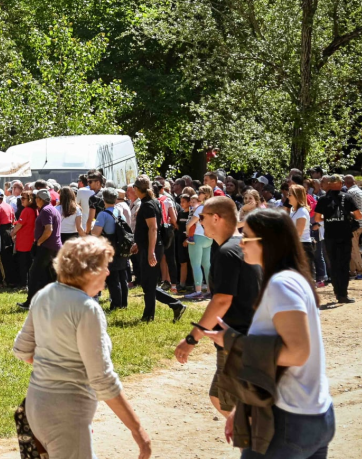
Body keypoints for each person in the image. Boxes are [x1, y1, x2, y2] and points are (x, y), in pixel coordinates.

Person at [206, 209, 335, 459]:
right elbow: (276, 358)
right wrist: (242, 408)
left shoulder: (282, 283)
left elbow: (296, 353)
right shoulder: (292, 278)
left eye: (247, 237)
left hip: (287, 421)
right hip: (312, 415)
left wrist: (233, 340)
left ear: (267, 242)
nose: (240, 242)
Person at [13, 237, 152, 459]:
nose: (108, 273)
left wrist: (53, 365)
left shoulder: (44, 294)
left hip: (36, 406)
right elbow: (102, 379)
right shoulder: (87, 308)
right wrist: (138, 429)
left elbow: (22, 350)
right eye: (105, 267)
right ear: (90, 270)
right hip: (66, 413)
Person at [173, 196, 261, 416]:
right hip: (250, 338)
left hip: (237, 342)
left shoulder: (226, 253)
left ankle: (258, 447)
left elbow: (222, 300)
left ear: (216, 218)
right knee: (219, 397)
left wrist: (192, 338)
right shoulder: (243, 246)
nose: (199, 221)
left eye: (202, 216)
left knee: (234, 406)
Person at [131, 176, 186, 323]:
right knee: (147, 283)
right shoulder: (152, 202)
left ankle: (155, 313)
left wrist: (150, 252)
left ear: (137, 189)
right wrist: (138, 244)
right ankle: (167, 308)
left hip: (153, 247)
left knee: (148, 284)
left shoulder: (148, 204)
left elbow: (153, 228)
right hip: (149, 246)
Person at [312, 175, 362, 304]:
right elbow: (358, 216)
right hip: (345, 235)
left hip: (330, 236)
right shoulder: (348, 197)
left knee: (334, 265)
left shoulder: (323, 199)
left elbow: (317, 219)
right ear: (340, 184)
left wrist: (327, 220)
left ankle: (337, 292)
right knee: (343, 265)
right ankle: (343, 294)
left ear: (329, 184)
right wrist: (348, 216)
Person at [21, 189, 62, 310]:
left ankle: (31, 302)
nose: (34, 201)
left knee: (34, 274)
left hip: (46, 247)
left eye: (36, 198)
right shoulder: (52, 209)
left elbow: (48, 230)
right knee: (48, 276)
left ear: (40, 199)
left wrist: (39, 242)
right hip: (54, 246)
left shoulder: (45, 211)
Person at [92, 188, 129, 310]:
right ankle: (123, 302)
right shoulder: (119, 211)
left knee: (112, 277)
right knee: (122, 276)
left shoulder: (103, 214)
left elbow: (96, 233)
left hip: (109, 247)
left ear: (104, 200)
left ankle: (116, 304)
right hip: (121, 246)